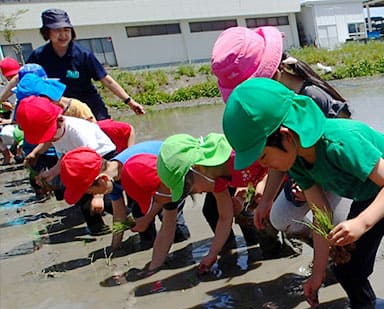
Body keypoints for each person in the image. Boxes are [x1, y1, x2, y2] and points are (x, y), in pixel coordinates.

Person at [222, 77, 384, 309]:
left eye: (263, 156)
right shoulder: (297, 162)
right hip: (368, 195)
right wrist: (317, 275)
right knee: (348, 270)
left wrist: (361, 222)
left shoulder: (340, 142)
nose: (263, 167)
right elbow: (321, 214)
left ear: (285, 136)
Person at [211, 25, 351, 245]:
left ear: (273, 74)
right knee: (280, 218)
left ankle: (333, 254)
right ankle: (323, 250)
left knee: (340, 235)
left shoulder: (314, 98)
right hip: (305, 177)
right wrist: (266, 199)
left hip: (337, 174)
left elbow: (347, 147)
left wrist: (313, 186)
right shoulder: (270, 110)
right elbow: (280, 160)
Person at [157, 133, 296, 272]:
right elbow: (225, 218)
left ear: (199, 167)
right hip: (260, 188)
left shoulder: (237, 155)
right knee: (257, 226)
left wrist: (263, 185)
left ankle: (293, 261)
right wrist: (212, 254)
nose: (198, 193)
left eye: (189, 189)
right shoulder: (216, 180)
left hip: (287, 175)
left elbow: (275, 156)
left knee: (280, 226)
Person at [59, 145, 190, 276]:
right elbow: (119, 214)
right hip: (155, 186)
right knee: (140, 215)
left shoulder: (134, 170)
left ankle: (183, 251)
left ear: (101, 180)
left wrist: (147, 219)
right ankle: (154, 245)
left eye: (89, 191)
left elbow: (167, 196)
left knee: (171, 223)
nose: (91, 194)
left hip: (175, 176)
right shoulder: (112, 177)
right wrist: (114, 247)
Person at [16, 95, 116, 234]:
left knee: (106, 199)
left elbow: (95, 163)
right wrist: (51, 173)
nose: (48, 140)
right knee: (83, 200)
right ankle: (98, 230)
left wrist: (98, 197)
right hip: (81, 162)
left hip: (102, 160)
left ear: (60, 120)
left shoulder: (79, 132)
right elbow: (64, 156)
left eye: (48, 135)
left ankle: (128, 219)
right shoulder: (58, 132)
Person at [26, 8, 144, 120]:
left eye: (66, 30)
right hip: (60, 111)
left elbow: (106, 80)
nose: (63, 35)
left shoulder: (83, 55)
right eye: (57, 30)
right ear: (47, 33)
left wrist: (130, 102)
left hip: (90, 108)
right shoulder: (39, 56)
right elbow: (22, 80)